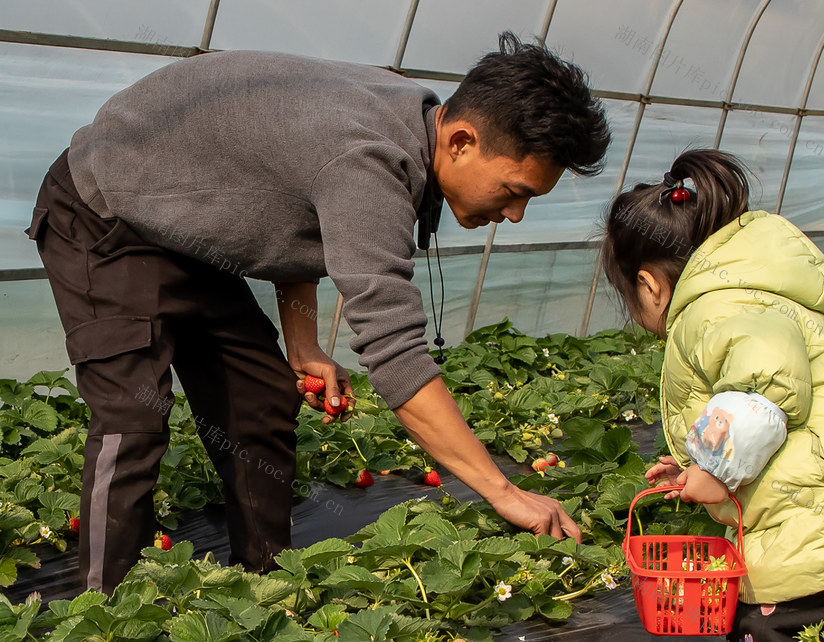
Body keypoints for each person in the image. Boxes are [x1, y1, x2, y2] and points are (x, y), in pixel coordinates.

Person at [27, 32, 611, 594]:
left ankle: (266, 589)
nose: (514, 216)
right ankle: (100, 614)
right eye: (515, 191)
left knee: (259, 397)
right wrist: (503, 492)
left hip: (184, 224)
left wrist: (301, 343)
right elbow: (395, 353)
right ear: (459, 141)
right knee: (133, 419)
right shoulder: (369, 160)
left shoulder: (408, 116)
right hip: (102, 212)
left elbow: (292, 211)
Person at [599, 149, 824, 642]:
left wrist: (716, 470)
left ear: (649, 286)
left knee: (764, 628)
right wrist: (698, 466)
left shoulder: (714, 311)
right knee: (800, 629)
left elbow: (763, 387)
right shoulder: (749, 295)